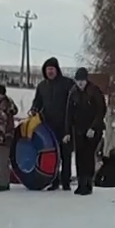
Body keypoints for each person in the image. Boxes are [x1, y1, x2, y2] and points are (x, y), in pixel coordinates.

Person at [30, 58, 76, 190]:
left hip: (65, 125)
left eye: (52, 69)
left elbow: (75, 99)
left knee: (65, 154)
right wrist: (34, 109)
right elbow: (37, 102)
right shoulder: (42, 86)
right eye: (47, 69)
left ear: (57, 70)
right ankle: (54, 181)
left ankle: (66, 182)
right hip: (48, 126)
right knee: (53, 155)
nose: (50, 71)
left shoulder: (67, 83)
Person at [66, 68, 108, 195]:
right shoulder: (73, 92)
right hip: (78, 129)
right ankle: (81, 183)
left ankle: (88, 184)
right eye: (78, 81)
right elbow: (69, 113)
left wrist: (94, 127)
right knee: (79, 156)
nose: (80, 84)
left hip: (92, 130)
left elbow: (101, 111)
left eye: (82, 81)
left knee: (88, 156)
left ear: (86, 80)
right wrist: (67, 131)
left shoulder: (94, 91)